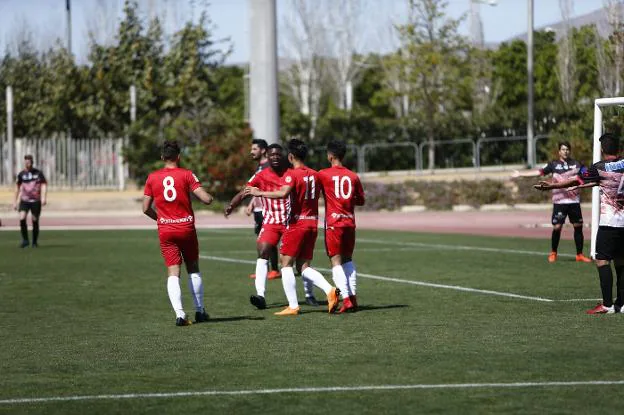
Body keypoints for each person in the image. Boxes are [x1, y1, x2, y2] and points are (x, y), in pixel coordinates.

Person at [245, 138, 341, 315]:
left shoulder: (292, 174)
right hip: (313, 223)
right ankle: (330, 291)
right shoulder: (315, 174)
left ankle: (293, 305)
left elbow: (283, 193)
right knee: (303, 267)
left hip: (297, 223)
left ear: (290, 156)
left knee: (286, 265)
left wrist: (260, 192)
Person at [534, 133, 624, 314]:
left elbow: (577, 178)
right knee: (621, 262)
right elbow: (605, 181)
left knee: (602, 260)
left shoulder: (598, 167)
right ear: (618, 148)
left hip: (609, 223)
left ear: (602, 149)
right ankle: (621, 304)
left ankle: (607, 305)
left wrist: (551, 186)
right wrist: (583, 186)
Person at [143, 141, 214, 326]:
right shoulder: (187, 174)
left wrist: (160, 219)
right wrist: (210, 196)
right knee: (193, 268)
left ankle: (180, 314)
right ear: (179, 156)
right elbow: (206, 199)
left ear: (162, 157)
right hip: (186, 229)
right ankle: (200, 311)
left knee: (173, 272)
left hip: (166, 230)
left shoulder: (152, 177)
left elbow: (145, 208)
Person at [225, 143, 290, 310]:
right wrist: (232, 205)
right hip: (271, 222)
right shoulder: (261, 175)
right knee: (263, 253)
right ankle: (260, 295)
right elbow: (245, 191)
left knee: (297, 263)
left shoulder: (291, 173)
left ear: (283, 156)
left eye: (278, 154)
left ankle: (313, 294)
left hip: (292, 223)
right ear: (267, 156)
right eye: (272, 155)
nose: (275, 157)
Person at [512, 141, 592, 263]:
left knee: (578, 226)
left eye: (567, 149)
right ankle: (553, 252)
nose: (565, 151)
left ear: (570, 151)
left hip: (574, 201)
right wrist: (520, 174)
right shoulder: (553, 164)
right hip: (559, 202)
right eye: (563, 149)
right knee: (557, 227)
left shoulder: (576, 164)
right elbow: (538, 173)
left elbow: (587, 173)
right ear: (559, 151)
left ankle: (579, 254)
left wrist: (591, 175)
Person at [318, 140, 365, 313]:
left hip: (334, 223)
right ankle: (352, 297)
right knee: (348, 260)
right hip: (349, 222)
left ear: (330, 156)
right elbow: (361, 200)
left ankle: (346, 299)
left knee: (336, 261)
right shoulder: (353, 176)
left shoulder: (323, 174)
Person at [244, 139, 280, 280]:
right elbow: (258, 188)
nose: (251, 152)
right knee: (261, 240)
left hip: (267, 209)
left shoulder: (268, 166)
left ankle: (275, 269)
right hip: (258, 209)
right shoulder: (260, 167)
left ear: (263, 150)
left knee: (268, 240)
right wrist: (252, 204)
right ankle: (264, 270)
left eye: (254, 149)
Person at [14, 155, 47, 248]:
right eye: (26, 162)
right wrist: (15, 201)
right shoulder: (21, 174)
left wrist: (44, 197)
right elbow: (17, 188)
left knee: (34, 220)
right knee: (22, 218)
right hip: (24, 200)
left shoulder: (38, 173)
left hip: (35, 200)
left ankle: (34, 242)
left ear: (32, 162)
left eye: (29, 162)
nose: (27, 163)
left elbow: (44, 185)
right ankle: (25, 240)